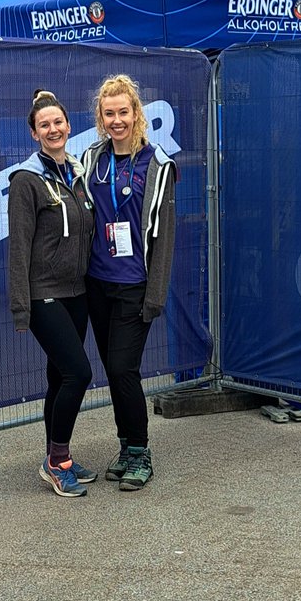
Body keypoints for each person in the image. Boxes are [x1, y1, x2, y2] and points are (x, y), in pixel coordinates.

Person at [81, 74, 176, 491]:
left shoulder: (157, 165)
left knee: (124, 368)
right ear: (100, 118)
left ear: (137, 114)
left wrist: (154, 295)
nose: (116, 120)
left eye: (124, 112)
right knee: (113, 369)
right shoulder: (91, 160)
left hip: (135, 284)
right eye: (109, 113)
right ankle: (125, 448)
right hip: (97, 284)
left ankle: (141, 451)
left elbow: (165, 237)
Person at [8, 89, 97, 498]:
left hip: (77, 291)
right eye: (44, 125)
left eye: (58, 122)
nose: (53, 129)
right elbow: (19, 247)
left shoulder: (76, 173)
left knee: (60, 375)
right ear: (33, 134)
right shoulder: (26, 180)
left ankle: (57, 455)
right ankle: (55, 462)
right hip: (44, 292)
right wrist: (21, 308)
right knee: (79, 373)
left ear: (68, 125)